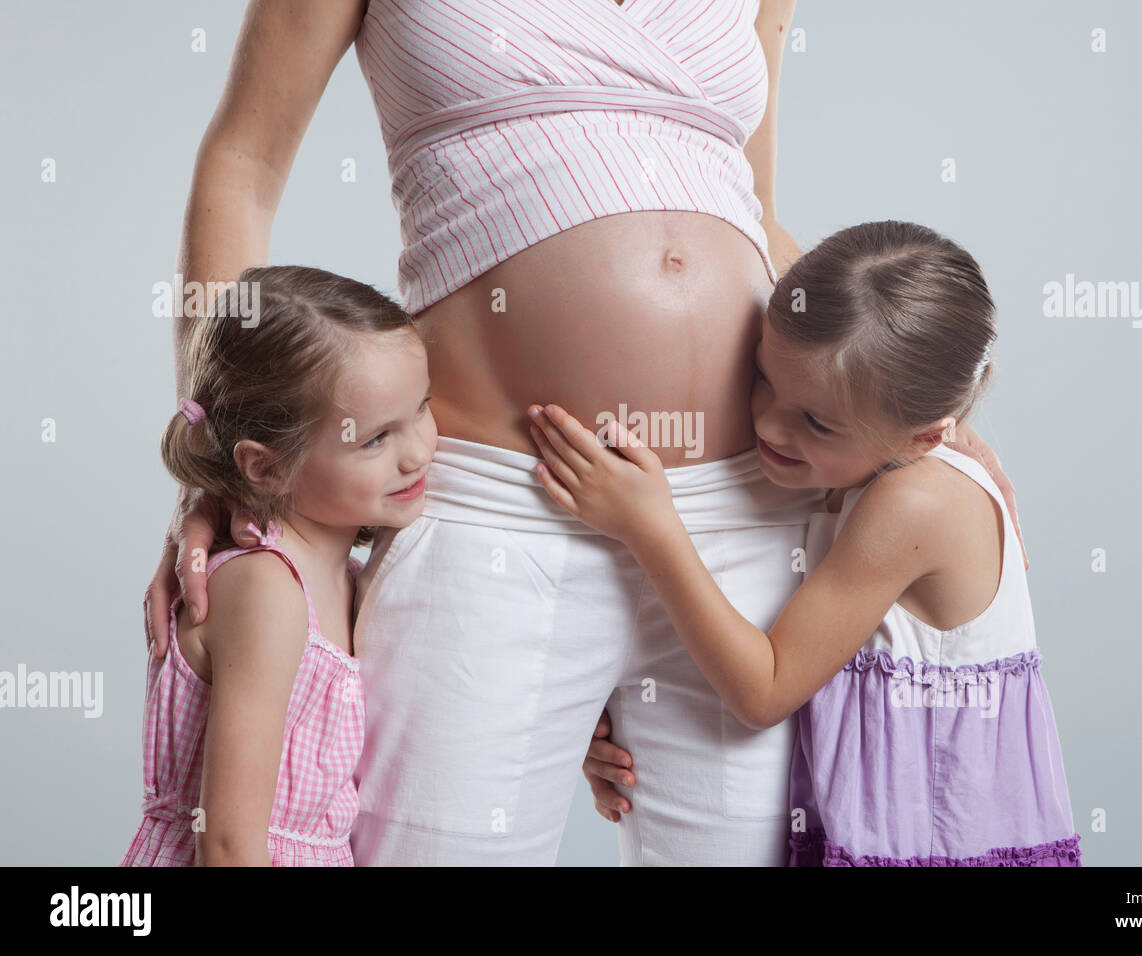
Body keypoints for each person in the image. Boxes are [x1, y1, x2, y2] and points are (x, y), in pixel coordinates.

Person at [144, 0, 1024, 865]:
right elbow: (242, 165)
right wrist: (222, 466)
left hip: (745, 519)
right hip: (495, 507)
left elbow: (749, 203)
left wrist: (899, 421)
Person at [526, 221, 1081, 866]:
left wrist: (650, 527)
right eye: (763, 377)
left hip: (937, 841)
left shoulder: (916, 502)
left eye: (815, 420)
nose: (766, 421)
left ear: (925, 438)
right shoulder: (851, 470)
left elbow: (765, 690)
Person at [123, 267, 437, 866]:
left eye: (421, 408)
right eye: (375, 439)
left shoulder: (341, 576)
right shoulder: (267, 587)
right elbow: (227, 841)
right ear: (264, 468)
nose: (418, 451)